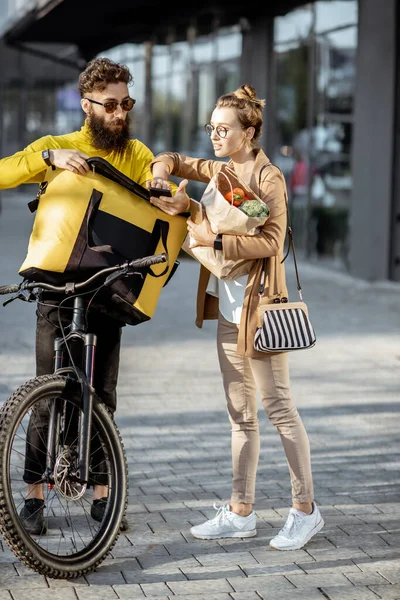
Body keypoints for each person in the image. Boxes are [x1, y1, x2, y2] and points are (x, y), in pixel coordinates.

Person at [0, 57, 189, 535]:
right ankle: (34, 498)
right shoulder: (58, 145)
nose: (121, 113)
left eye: (127, 103)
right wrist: (47, 160)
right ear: (88, 105)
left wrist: (162, 179)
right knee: (45, 394)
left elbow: (160, 174)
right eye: (111, 104)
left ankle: (104, 496)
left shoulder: (135, 151)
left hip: (111, 286)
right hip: (57, 285)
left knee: (102, 394)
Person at [149, 84, 324, 551]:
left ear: (249, 132)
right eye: (211, 127)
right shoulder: (222, 169)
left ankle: (305, 510)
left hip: (260, 308)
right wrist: (160, 170)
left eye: (223, 129)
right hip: (228, 310)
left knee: (279, 408)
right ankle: (241, 510)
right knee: (240, 414)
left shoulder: (268, 180)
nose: (214, 135)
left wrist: (212, 237)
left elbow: (271, 241)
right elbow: (174, 159)